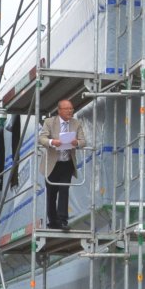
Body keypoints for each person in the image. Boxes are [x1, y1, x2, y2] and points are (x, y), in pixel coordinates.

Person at [39, 97, 87, 229]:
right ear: (59, 110)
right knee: (51, 193)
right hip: (52, 163)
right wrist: (52, 142)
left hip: (66, 163)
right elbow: (42, 138)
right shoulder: (49, 122)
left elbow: (83, 141)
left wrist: (76, 143)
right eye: (67, 109)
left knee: (64, 189)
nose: (70, 111)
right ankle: (53, 221)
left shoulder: (76, 123)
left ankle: (63, 220)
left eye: (71, 108)